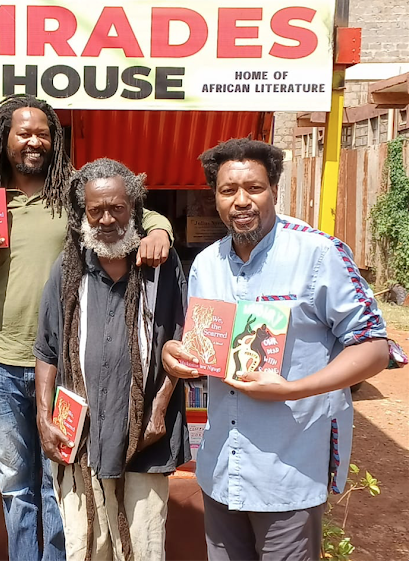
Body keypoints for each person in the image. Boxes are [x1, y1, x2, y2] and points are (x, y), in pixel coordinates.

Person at [0, 94, 175, 561]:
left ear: (55, 139)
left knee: (59, 479)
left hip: (66, 366)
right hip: (4, 360)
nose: (33, 141)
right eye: (23, 133)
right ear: (5, 140)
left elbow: (130, 209)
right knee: (14, 481)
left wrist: (160, 229)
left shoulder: (75, 197)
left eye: (42, 132)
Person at [162, 138, 389, 561]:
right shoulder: (207, 264)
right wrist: (176, 355)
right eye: (228, 190)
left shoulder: (319, 255)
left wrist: (291, 389)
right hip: (220, 471)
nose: (241, 200)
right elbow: (201, 345)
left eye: (255, 188)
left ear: (275, 190)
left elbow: (375, 347)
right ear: (215, 197)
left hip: (286, 471)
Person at [34, 158, 191, 561]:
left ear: (134, 208)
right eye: (96, 210)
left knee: (143, 545)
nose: (107, 219)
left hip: (144, 439)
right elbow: (47, 350)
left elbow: (181, 339)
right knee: (87, 547)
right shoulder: (68, 267)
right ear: (83, 212)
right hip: (82, 436)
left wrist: (158, 408)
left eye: (117, 208)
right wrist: (43, 416)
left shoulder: (163, 265)